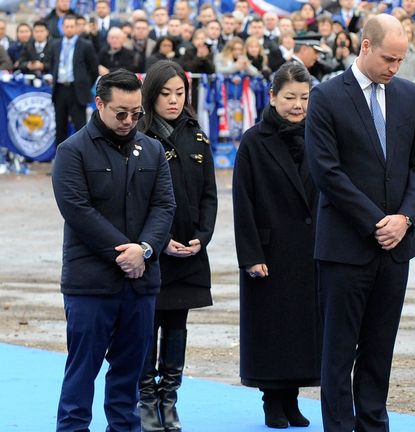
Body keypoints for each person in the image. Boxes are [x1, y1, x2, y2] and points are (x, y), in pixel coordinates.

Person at [305, 14, 415, 432]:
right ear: (365, 46)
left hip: (396, 248)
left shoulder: (409, 96)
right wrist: (377, 221)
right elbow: (327, 172)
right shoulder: (325, 96)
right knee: (339, 351)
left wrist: (405, 219)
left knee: (380, 349)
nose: (394, 68)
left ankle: (374, 424)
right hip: (346, 247)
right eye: (388, 59)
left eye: (400, 60)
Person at [51, 69, 176, 432]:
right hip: (90, 282)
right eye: (120, 113)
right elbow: (77, 210)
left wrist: (146, 250)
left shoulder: (152, 149)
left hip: (140, 283)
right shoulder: (72, 150)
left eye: (136, 113)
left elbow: (164, 206)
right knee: (82, 369)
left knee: (130, 371)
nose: (129, 121)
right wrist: (126, 253)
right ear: (99, 104)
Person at [233, 62, 319, 430]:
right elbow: (243, 200)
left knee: (302, 327)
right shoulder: (254, 140)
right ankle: (272, 400)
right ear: (272, 97)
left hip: (311, 249)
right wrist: (251, 254)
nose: (298, 105)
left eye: (304, 97)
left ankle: (293, 399)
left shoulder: (319, 135)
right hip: (270, 250)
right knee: (271, 328)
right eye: (290, 98)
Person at [136, 60, 218, 432]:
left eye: (180, 93)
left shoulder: (197, 134)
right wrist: (158, 241)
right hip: (153, 254)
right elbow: (135, 200)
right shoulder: (140, 136)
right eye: (165, 93)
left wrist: (202, 235)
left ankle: (170, 399)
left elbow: (209, 195)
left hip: (189, 251)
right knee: (146, 325)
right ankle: (147, 401)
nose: (173, 100)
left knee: (177, 324)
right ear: (151, 95)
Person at [51, 14, 99, 146]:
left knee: (80, 127)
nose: (69, 29)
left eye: (72, 26)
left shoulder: (85, 45)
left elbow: (94, 69)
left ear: (77, 27)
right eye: (67, 26)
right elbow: (52, 64)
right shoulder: (55, 44)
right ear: (62, 27)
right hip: (60, 89)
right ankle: (60, 158)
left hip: (76, 90)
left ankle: (82, 158)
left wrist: (85, 84)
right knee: (60, 126)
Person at [396, 17, 415, 85]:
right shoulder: (393, 50)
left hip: (411, 86)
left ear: (412, 35)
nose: (406, 34)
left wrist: (411, 88)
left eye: (408, 32)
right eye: (404, 32)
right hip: (394, 85)